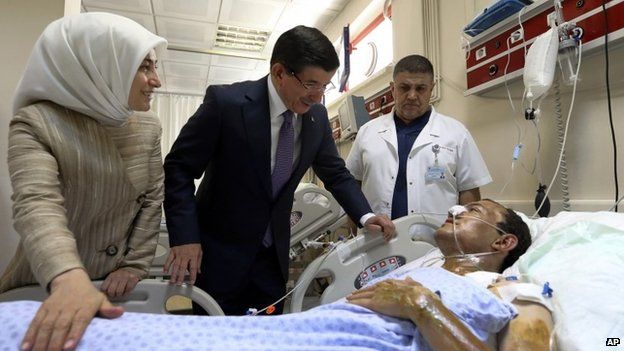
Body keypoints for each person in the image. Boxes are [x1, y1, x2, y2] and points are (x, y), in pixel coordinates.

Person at [0, 200, 553, 350]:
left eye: (474, 214)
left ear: (504, 243)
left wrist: (419, 304)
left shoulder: (510, 288)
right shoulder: (421, 262)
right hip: (295, 331)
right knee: (30, 320)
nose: (456, 212)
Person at [163, 25, 395, 316]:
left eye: (325, 86)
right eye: (311, 84)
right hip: (220, 256)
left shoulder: (316, 118)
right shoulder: (227, 105)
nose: (318, 96)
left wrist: (366, 215)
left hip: (271, 261)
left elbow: (335, 173)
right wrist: (185, 237)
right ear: (279, 73)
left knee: (268, 337)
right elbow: (179, 169)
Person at [0, 13, 167, 351]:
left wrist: (134, 265)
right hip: (46, 280)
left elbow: (151, 198)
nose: (157, 80)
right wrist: (67, 276)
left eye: (154, 67)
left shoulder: (148, 127)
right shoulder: (36, 122)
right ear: (103, 66)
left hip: (117, 282)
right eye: (145, 67)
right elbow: (36, 204)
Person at [346, 54, 492, 225]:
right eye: (404, 88)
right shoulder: (367, 133)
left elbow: (469, 190)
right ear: (393, 89)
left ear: (432, 89)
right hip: (376, 242)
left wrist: (465, 240)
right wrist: (352, 235)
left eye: (421, 88)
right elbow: (351, 187)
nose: (412, 96)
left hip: (436, 242)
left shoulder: (457, 133)